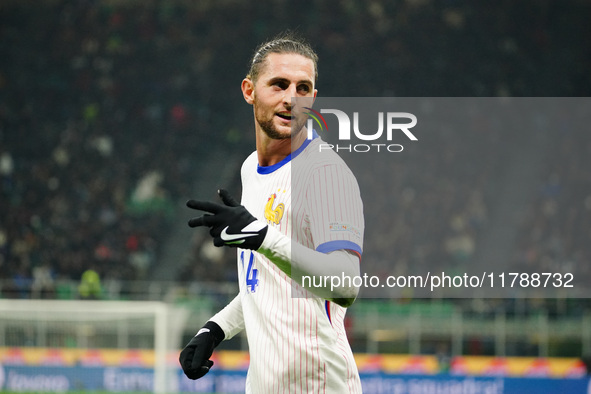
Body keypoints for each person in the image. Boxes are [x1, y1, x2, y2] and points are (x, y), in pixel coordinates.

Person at [179, 32, 364, 393]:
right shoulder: (252, 169)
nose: (291, 98)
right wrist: (216, 328)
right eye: (279, 85)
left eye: (303, 88)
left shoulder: (325, 173)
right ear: (249, 91)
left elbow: (345, 284)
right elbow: (268, 281)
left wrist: (261, 236)